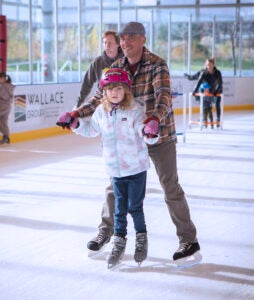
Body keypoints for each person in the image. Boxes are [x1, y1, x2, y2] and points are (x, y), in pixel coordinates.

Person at [60, 22, 200, 262]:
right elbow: (98, 97)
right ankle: (106, 231)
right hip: (127, 138)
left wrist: (154, 118)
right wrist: (77, 114)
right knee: (115, 183)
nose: (125, 43)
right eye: (122, 39)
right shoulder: (116, 66)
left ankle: (188, 239)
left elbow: (164, 96)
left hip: (159, 133)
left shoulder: (157, 64)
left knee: (170, 187)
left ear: (143, 40)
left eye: (131, 38)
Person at [57, 68, 158, 267]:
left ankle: (141, 239)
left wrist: (149, 132)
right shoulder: (101, 112)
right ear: (104, 91)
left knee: (135, 208)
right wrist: (75, 123)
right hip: (115, 170)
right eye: (110, 88)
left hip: (136, 169)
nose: (114, 92)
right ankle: (118, 243)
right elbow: (90, 130)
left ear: (126, 90)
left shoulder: (135, 110)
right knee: (119, 210)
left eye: (118, 88)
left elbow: (142, 130)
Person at [76, 30, 124, 107]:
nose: (107, 46)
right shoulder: (97, 62)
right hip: (103, 102)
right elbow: (87, 83)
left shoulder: (126, 60)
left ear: (118, 44)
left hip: (123, 102)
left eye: (110, 43)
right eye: (105, 43)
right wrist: (79, 104)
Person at [184, 57, 223, 127]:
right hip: (209, 89)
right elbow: (199, 82)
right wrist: (195, 91)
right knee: (204, 103)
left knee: (217, 103)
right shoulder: (204, 72)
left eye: (210, 65)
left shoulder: (217, 73)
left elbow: (220, 84)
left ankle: (218, 119)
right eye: (207, 65)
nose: (209, 67)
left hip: (217, 89)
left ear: (213, 65)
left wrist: (216, 91)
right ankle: (204, 118)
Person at [0, 72, 15, 144]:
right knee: (3, 122)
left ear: (3, 79)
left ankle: (6, 136)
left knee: (3, 122)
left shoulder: (3, 87)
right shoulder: (10, 86)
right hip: (7, 107)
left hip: (2, 107)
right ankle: (6, 137)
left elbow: (2, 96)